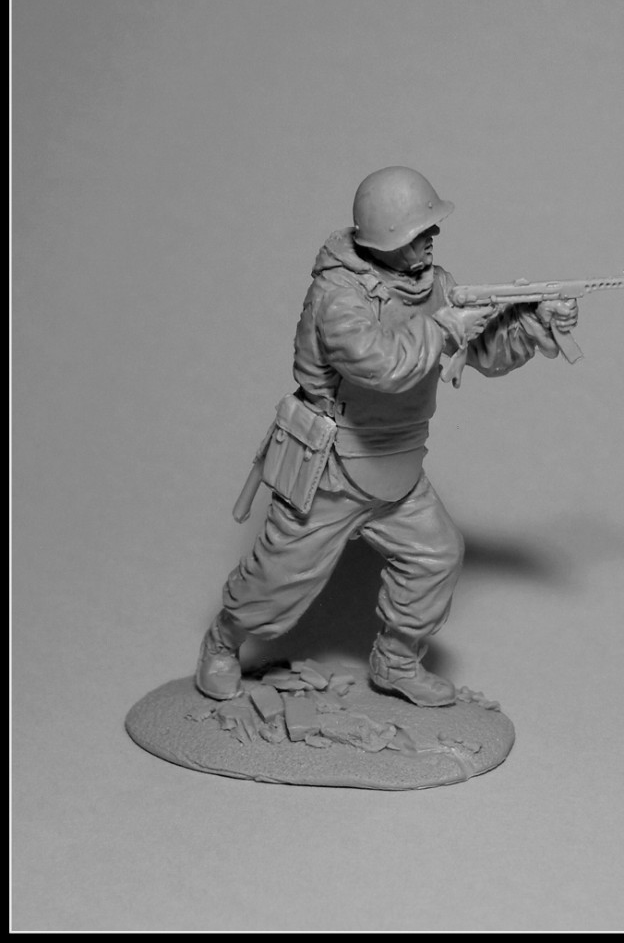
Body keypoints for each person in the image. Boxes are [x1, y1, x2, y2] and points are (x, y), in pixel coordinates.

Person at [196, 167, 578, 707]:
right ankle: (222, 643)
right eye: (420, 230)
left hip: (398, 463)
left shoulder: (434, 284)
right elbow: (380, 366)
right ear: (388, 236)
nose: (433, 236)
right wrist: (444, 327)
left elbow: (483, 353)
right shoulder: (337, 295)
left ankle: (396, 661)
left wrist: (530, 324)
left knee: (436, 556)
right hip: (330, 468)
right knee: (277, 580)